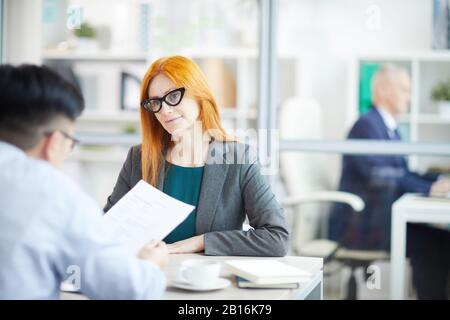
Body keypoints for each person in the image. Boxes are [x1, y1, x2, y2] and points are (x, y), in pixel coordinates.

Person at [0, 64, 169, 299]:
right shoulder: (53, 193)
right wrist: (150, 264)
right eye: (71, 142)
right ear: (55, 143)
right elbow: (129, 289)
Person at [104, 55, 289, 257]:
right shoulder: (139, 158)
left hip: (211, 281)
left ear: (199, 95)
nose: (165, 110)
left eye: (173, 96)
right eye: (155, 102)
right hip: (150, 276)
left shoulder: (238, 158)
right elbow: (106, 230)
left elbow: (277, 238)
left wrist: (201, 242)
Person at [328, 64, 450, 299]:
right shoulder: (366, 126)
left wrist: (438, 180)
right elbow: (380, 174)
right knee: (434, 245)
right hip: (365, 227)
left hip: (380, 218)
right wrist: (430, 188)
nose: (410, 97)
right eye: (404, 89)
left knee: (441, 240)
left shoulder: (388, 128)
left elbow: (402, 171)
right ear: (384, 90)